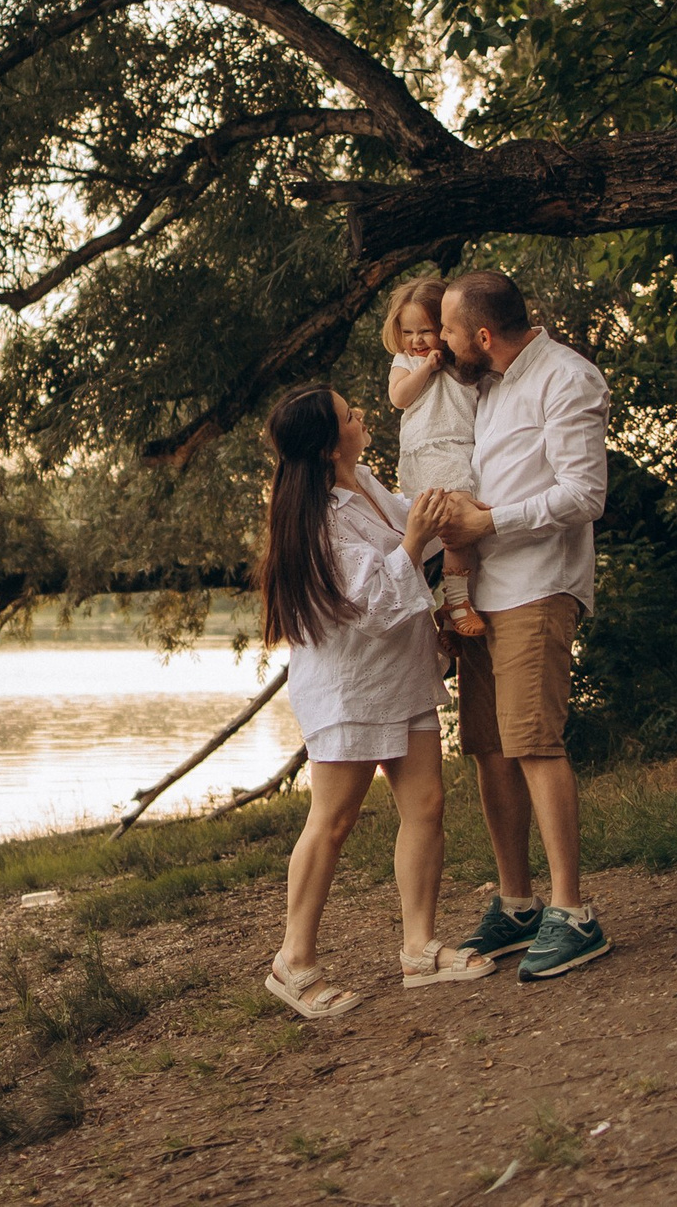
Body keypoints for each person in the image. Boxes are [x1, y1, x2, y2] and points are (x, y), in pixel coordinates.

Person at [257, 384, 497, 1019]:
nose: (360, 415)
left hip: (402, 674)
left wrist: (446, 512)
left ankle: (419, 950)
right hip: (351, 686)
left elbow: (410, 526)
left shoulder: (362, 482)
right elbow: (372, 604)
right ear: (329, 444)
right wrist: (414, 540)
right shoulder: (318, 522)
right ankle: (293, 962)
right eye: (348, 415)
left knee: (426, 805)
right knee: (333, 821)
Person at [432, 270, 614, 982]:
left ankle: (574, 912)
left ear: (482, 334)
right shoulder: (486, 385)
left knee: (534, 742)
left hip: (538, 586)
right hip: (482, 593)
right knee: (490, 749)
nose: (440, 342)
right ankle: (518, 905)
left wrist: (491, 523)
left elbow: (584, 494)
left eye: (448, 330)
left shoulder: (567, 378)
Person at [382, 275, 487, 639]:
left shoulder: (463, 360)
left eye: (425, 331)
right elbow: (399, 397)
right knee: (452, 524)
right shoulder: (406, 362)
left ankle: (451, 608)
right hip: (425, 453)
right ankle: (454, 603)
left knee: (455, 525)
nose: (416, 340)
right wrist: (427, 367)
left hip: (458, 449)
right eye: (408, 332)